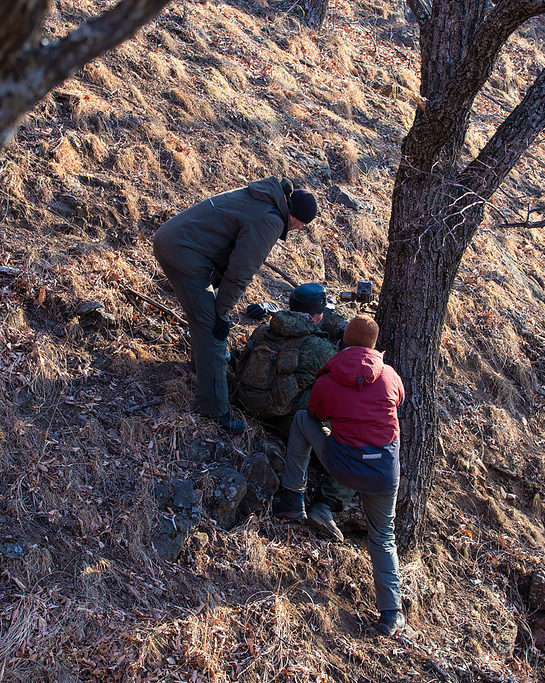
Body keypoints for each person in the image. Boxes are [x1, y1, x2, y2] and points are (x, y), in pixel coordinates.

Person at [271, 315, 407, 636]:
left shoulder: (328, 379)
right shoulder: (389, 376)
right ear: (374, 345)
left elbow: (316, 414)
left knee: (304, 420)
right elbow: (398, 398)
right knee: (383, 537)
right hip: (383, 473)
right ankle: (391, 614)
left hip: (342, 465)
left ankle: (293, 496)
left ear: (344, 340)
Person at [152, 177, 319, 434]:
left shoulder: (264, 197)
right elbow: (240, 272)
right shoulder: (271, 220)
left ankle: (202, 364)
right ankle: (214, 408)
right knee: (212, 329)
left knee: (204, 318)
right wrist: (222, 313)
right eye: (301, 227)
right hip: (184, 253)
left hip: (174, 239)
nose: (297, 230)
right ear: (297, 220)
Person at [233, 283, 352, 539]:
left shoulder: (264, 330)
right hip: (286, 422)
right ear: (316, 315)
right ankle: (324, 505)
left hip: (248, 408)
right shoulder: (319, 348)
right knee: (355, 439)